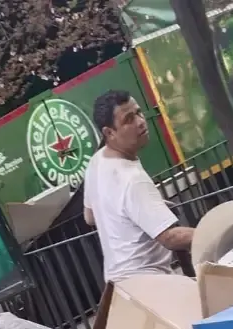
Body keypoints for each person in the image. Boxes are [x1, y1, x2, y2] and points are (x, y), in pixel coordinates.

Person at [83, 90, 195, 283]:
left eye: (139, 112)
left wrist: (140, 211)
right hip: (149, 285)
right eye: (129, 120)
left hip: (119, 288)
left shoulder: (96, 162)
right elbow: (170, 238)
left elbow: (90, 216)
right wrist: (214, 231)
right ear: (109, 133)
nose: (141, 121)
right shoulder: (133, 179)